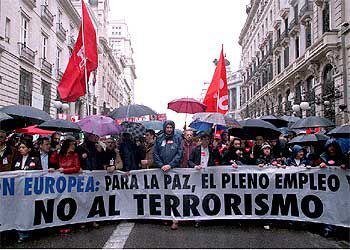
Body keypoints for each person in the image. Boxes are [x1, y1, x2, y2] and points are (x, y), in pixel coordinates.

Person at [154, 120, 183, 230]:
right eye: (167, 127)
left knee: (175, 195)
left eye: (171, 127)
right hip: (162, 171)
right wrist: (161, 165)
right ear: (164, 128)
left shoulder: (178, 138)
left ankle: (175, 219)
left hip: (174, 171)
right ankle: (165, 216)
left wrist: (170, 165)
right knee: (163, 194)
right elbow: (155, 153)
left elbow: (180, 153)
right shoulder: (159, 138)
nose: (169, 129)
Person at [11, 140, 41, 243]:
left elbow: (40, 174)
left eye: (23, 147)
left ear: (29, 149)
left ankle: (27, 232)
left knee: (28, 211)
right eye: (20, 148)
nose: (21, 149)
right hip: (19, 191)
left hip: (30, 191)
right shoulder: (16, 159)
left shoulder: (35, 159)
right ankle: (20, 232)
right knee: (19, 211)